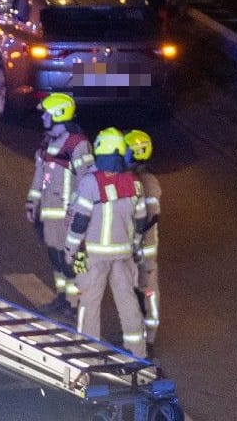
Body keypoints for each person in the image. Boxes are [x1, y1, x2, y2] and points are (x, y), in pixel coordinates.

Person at [64, 128, 148, 355]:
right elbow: (140, 221)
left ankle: (87, 355)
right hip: (123, 255)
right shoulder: (134, 183)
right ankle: (137, 353)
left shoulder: (90, 182)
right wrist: (136, 246)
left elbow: (79, 222)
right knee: (129, 304)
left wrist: (70, 250)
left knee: (89, 305)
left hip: (94, 256)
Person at [26, 92, 94, 312]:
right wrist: (32, 201)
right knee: (55, 256)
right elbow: (40, 172)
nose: (43, 117)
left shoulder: (78, 145)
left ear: (59, 114)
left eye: (46, 114)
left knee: (75, 258)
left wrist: (79, 211)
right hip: (50, 211)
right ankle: (63, 297)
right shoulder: (49, 141)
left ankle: (80, 302)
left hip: (68, 214)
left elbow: (87, 181)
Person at [123, 129, 162, 352]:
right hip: (134, 248)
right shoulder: (134, 178)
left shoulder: (147, 181)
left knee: (148, 292)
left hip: (144, 250)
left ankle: (149, 338)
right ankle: (137, 332)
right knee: (134, 291)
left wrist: (137, 238)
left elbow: (151, 216)